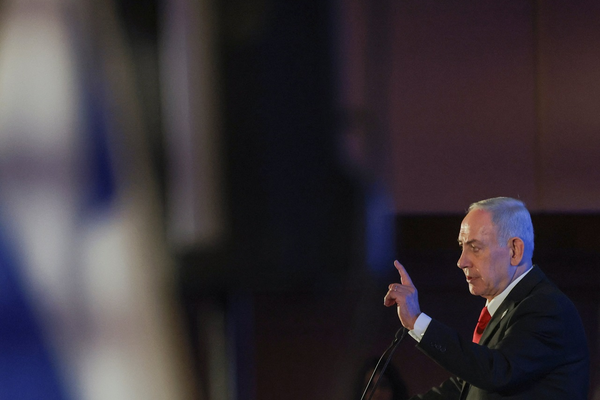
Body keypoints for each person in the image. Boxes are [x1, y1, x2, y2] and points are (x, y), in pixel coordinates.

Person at [383, 197, 589, 399]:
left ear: (514, 250)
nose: (461, 261)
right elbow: (466, 388)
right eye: (462, 247)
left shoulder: (547, 307)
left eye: (475, 248)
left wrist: (417, 321)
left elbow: (497, 372)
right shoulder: (506, 308)